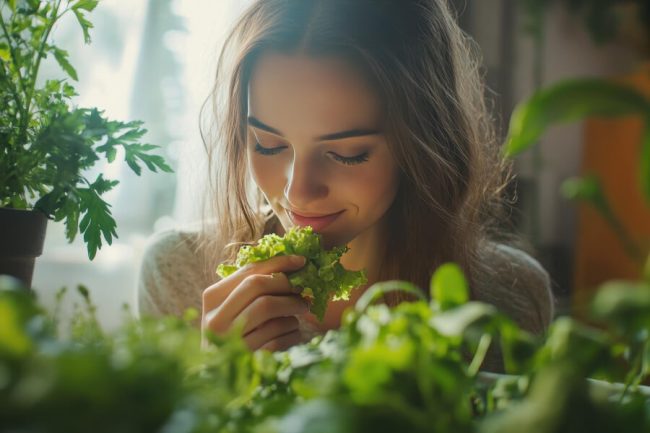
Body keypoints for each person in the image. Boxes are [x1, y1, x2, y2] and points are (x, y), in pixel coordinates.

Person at [137, 0, 554, 369]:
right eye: (267, 145)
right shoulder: (180, 274)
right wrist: (218, 381)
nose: (298, 192)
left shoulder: (509, 300)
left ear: (426, 142)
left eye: (347, 153)